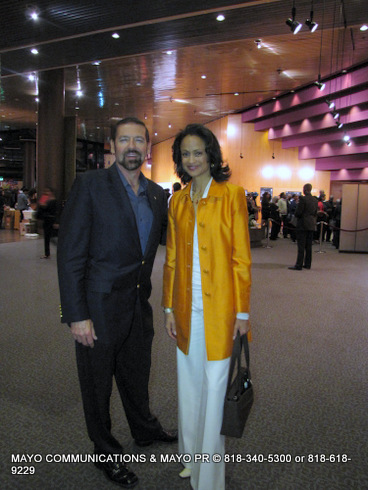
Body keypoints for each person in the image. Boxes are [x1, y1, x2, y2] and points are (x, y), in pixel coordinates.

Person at [57, 117, 177, 489]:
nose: (131, 146)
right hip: (98, 308)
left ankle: (143, 429)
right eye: (124, 139)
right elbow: (70, 255)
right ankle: (105, 451)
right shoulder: (90, 185)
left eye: (138, 140)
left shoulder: (158, 194)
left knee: (137, 373)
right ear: (112, 145)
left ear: (147, 146)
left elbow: (170, 247)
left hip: (139, 304)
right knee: (97, 386)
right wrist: (77, 315)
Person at [162, 123, 252, 490]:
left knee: (214, 389)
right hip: (185, 308)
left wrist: (242, 312)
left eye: (198, 152)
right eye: (185, 153)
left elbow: (241, 258)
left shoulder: (232, 196)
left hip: (221, 310)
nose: (192, 159)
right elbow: (170, 259)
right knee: (189, 384)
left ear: (211, 155)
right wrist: (168, 307)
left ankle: (209, 476)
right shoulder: (178, 201)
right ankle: (189, 458)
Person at [289, 183, 318, 270]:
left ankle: (299, 264)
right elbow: (315, 212)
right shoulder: (315, 200)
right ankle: (308, 264)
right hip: (311, 223)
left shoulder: (303, 199)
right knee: (309, 246)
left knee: (301, 245)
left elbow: (298, 212)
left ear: (304, 189)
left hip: (303, 224)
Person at [37, 187, 58, 259]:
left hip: (50, 220)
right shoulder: (48, 200)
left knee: (51, 237)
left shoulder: (52, 201)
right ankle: (47, 253)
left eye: (48, 191)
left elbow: (53, 211)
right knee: (48, 237)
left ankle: (48, 253)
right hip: (47, 220)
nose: (46, 193)